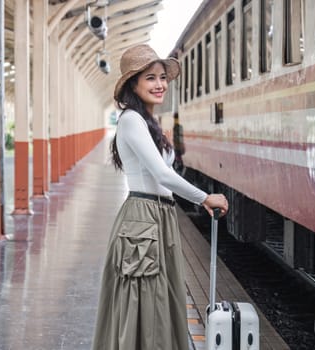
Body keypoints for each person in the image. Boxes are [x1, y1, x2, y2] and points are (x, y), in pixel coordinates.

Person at [92, 44, 228, 350]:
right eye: (150, 78)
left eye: (162, 77)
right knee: (147, 311)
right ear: (133, 84)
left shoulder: (146, 122)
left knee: (159, 307)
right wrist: (204, 197)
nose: (160, 84)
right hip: (144, 221)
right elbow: (162, 175)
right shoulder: (131, 121)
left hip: (155, 219)